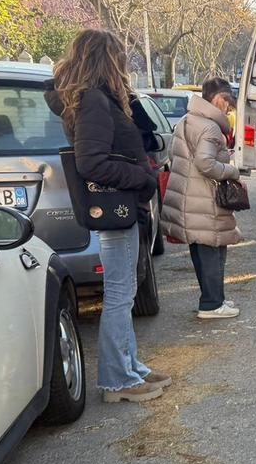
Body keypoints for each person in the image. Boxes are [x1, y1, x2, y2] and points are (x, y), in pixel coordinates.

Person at [44, 29, 167, 403]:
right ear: (105, 59)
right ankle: (118, 379)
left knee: (123, 291)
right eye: (120, 58)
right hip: (117, 207)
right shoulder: (95, 101)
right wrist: (142, 178)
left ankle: (130, 366)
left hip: (120, 207)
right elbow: (92, 162)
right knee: (119, 294)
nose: (124, 65)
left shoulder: (95, 99)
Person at [160, 78, 243, 320]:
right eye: (227, 104)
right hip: (204, 198)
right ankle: (212, 303)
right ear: (218, 99)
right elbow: (205, 163)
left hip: (189, 196)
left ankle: (213, 298)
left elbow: (172, 155)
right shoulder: (210, 127)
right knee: (213, 249)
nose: (228, 110)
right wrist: (232, 171)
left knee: (201, 249)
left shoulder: (186, 121)